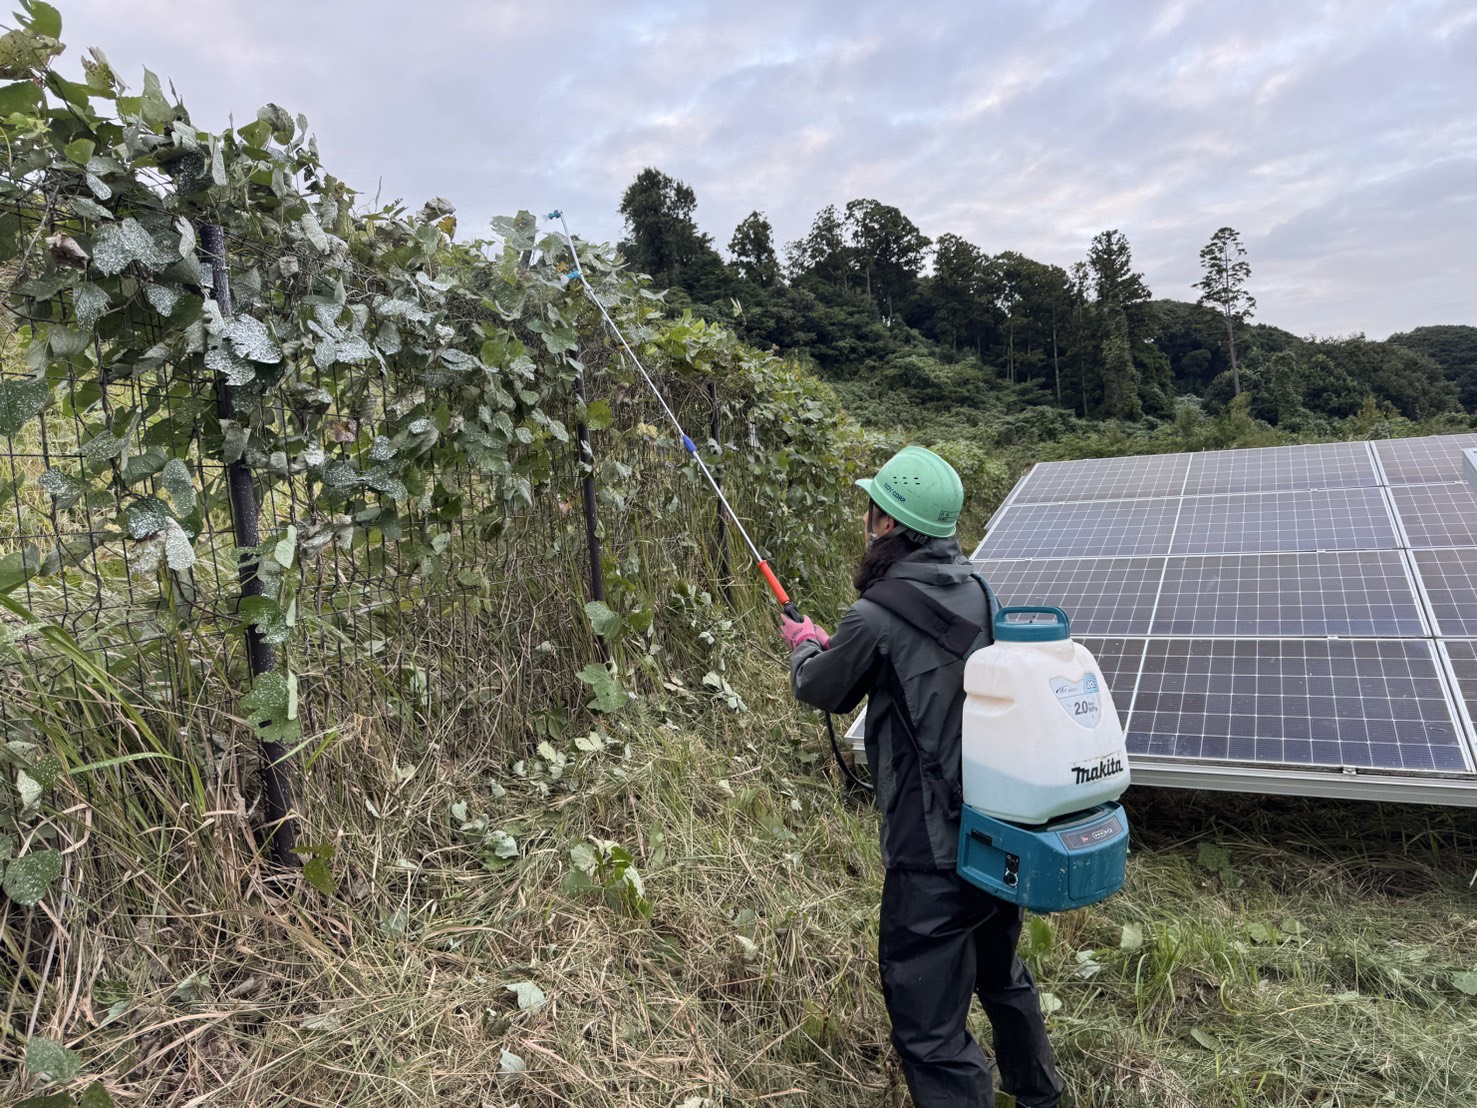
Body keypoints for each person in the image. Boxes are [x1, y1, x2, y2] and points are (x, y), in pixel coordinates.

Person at [782, 445, 1063, 1108]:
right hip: (993, 824)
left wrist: (804, 645)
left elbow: (823, 688)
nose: (866, 518)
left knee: (928, 1028)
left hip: (928, 844)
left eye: (871, 509)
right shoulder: (980, 590)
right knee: (1001, 975)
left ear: (887, 524)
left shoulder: (872, 615)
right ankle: (1038, 1096)